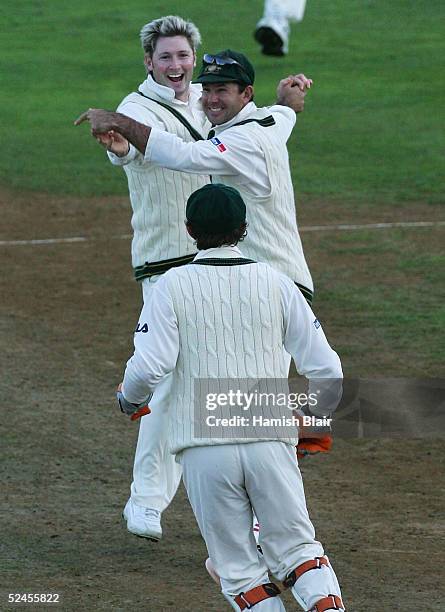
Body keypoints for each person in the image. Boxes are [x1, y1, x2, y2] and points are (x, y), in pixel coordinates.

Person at [75, 23, 314, 542]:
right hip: (173, 262)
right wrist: (118, 141)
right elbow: (129, 149)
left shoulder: (233, 123)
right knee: (177, 383)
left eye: (185, 55)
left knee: (246, 388)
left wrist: (118, 127)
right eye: (167, 57)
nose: (179, 67)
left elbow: (187, 155)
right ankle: (149, 499)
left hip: (242, 272)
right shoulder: (152, 107)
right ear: (149, 62)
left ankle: (253, 509)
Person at [117, 183, 345, 611]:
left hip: (204, 448)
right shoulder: (278, 283)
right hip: (268, 437)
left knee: (239, 571)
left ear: (189, 229)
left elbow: (149, 367)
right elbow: (328, 370)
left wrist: (130, 400)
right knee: (299, 552)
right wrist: (313, 419)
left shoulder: (170, 286)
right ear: (243, 228)